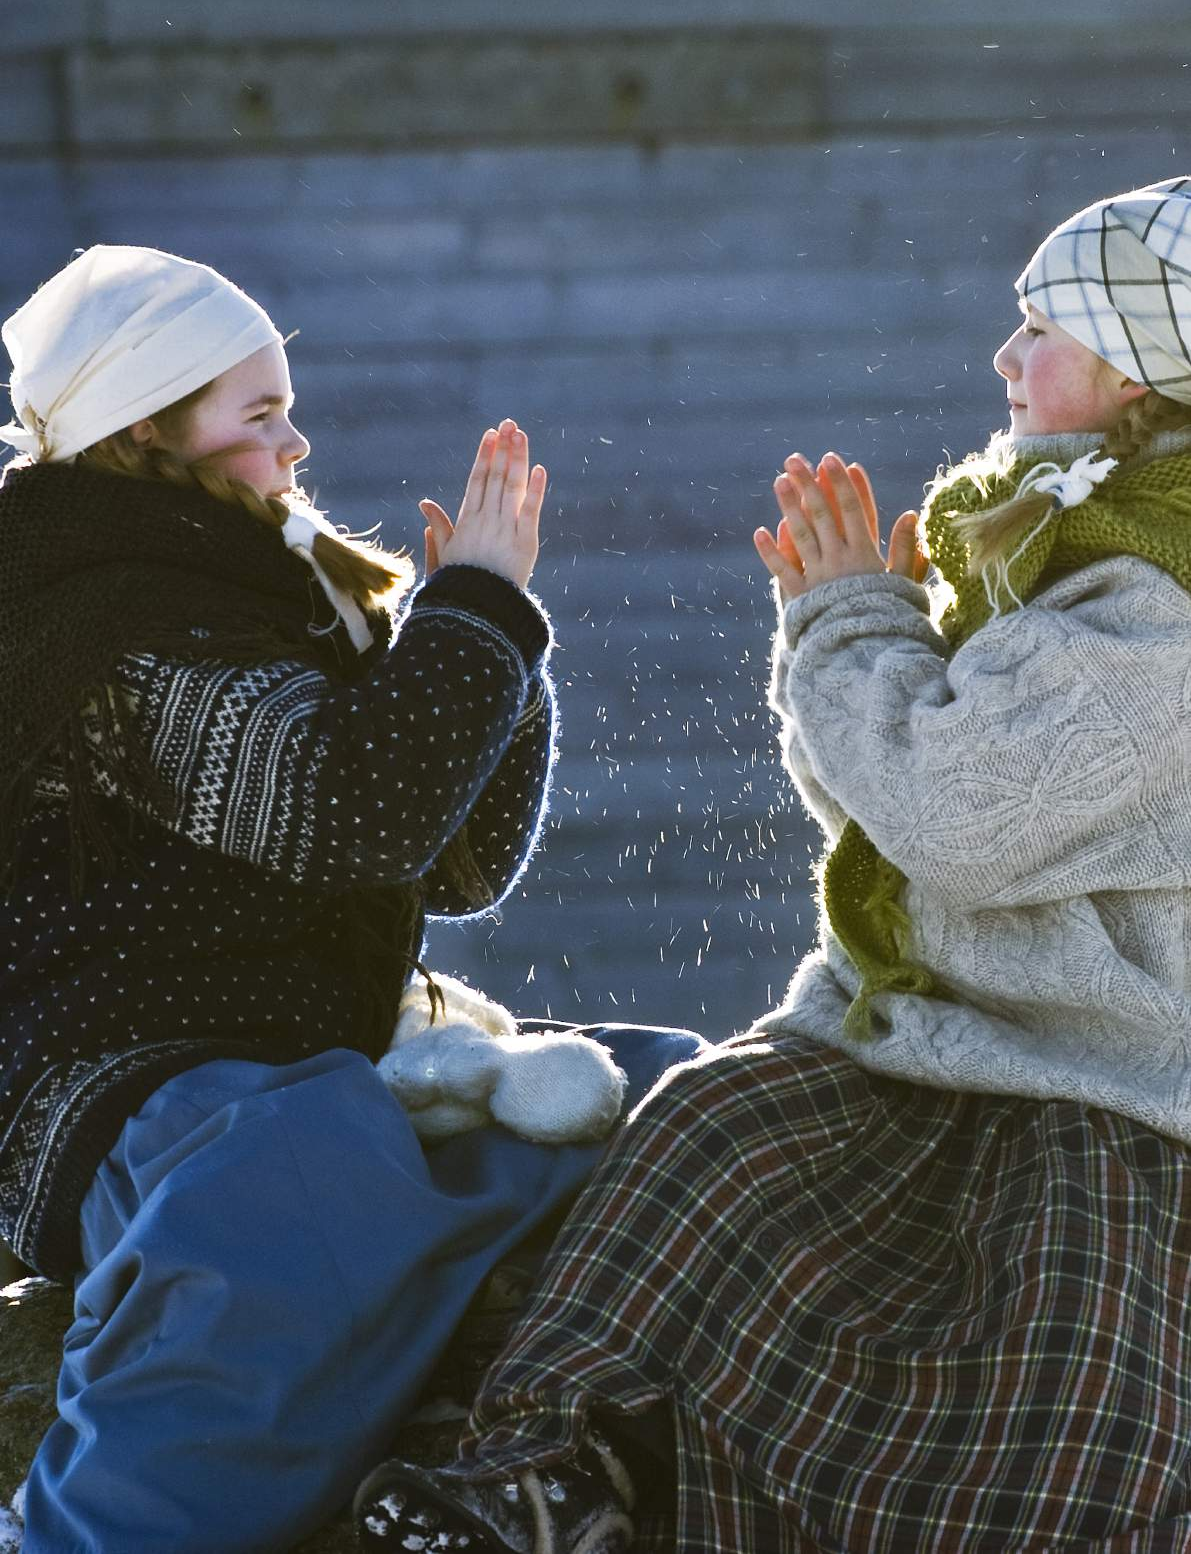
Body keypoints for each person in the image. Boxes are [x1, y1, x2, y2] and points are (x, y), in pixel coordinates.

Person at [356, 176, 1191, 1553]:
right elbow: (878, 811)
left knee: (1054, 1301)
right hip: (932, 1032)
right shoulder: (1058, 558)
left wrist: (848, 620)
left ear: (1133, 372)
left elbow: (949, 816)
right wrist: (854, 632)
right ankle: (549, 1479)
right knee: (712, 1134)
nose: (1003, 358)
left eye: (1037, 324)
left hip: (1107, 1079)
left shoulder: (1154, 611)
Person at [0, 244, 703, 1553]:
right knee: (298, 1184)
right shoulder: (101, 616)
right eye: (258, 416)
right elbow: (353, 814)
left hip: (305, 1064)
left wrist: (487, 628)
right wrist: (474, 613)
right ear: (149, 428)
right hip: (141, 1094)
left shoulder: (263, 587)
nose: (294, 440)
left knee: (671, 1094)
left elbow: (452, 863)